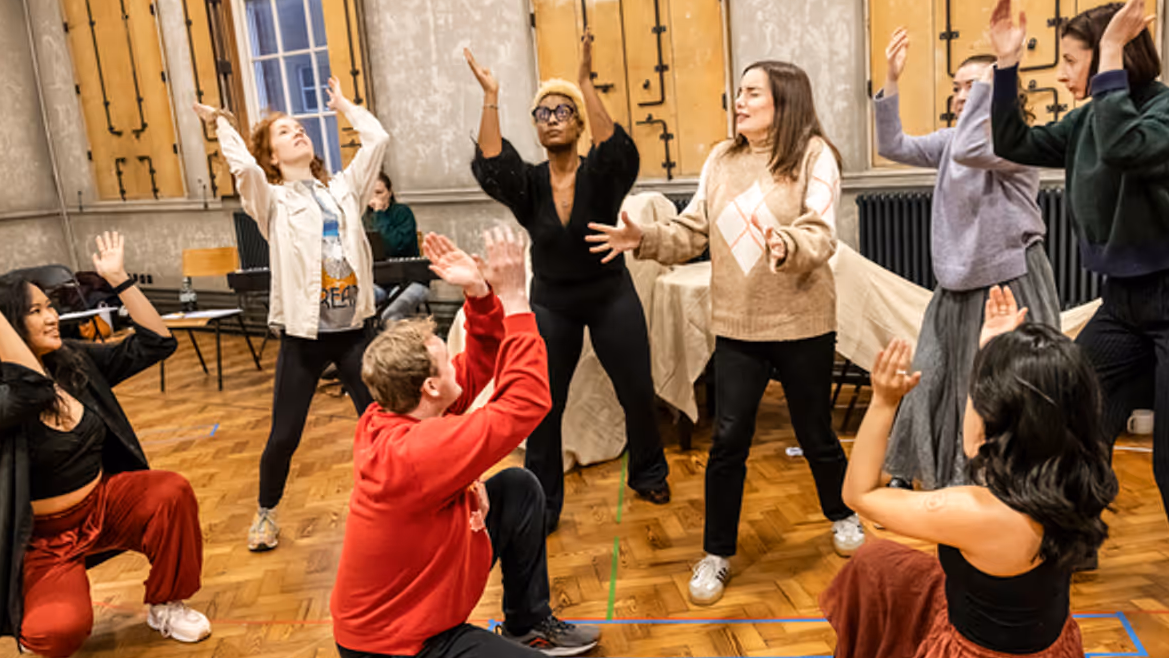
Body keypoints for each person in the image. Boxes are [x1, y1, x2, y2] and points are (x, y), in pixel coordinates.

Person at [792, 287, 1114, 658]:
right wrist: (990, 347)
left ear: (1005, 418)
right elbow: (973, 446)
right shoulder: (1074, 467)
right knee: (881, 567)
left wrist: (884, 402)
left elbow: (858, 495)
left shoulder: (976, 512)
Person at [987, 0, 1169, 609]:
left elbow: (1123, 145)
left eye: (1070, 60)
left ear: (1115, 55)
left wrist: (1112, 50)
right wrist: (1006, 65)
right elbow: (1014, 144)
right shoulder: (1088, 118)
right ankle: (1073, 539)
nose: (1060, 74)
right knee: (1074, 415)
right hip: (1126, 302)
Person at [588, 60, 860, 606]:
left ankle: (843, 513)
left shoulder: (813, 155)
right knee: (728, 442)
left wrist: (786, 245)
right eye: (739, 92)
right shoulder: (721, 158)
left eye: (752, 93)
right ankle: (717, 553)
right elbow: (692, 230)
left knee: (816, 435)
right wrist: (642, 238)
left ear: (783, 102)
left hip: (803, 323)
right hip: (738, 326)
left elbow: (820, 230)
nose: (739, 101)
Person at [331, 226, 599, 658]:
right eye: (441, 355)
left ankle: (525, 624)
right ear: (430, 386)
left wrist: (478, 295)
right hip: (396, 651)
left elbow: (476, 371)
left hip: (408, 615)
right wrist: (517, 299)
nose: (452, 358)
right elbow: (526, 401)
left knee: (517, 491)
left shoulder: (400, 413)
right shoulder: (418, 452)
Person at [0, 233, 209, 658]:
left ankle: (166, 605)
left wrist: (119, 280)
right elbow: (28, 394)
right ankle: (49, 595)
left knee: (171, 491)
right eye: (35, 311)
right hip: (44, 540)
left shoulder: (70, 361)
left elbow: (156, 343)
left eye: (50, 307)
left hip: (104, 506)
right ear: (3, 324)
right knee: (55, 637)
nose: (52, 317)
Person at [465, 31, 670, 534]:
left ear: (578, 123)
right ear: (535, 127)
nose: (552, 119)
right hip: (552, 302)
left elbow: (619, 149)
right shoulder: (529, 185)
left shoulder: (601, 174)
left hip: (609, 295)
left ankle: (648, 472)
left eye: (563, 111)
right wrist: (491, 97)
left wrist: (583, 82)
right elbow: (492, 163)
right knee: (542, 402)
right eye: (543, 113)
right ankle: (544, 502)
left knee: (637, 390)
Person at [196, 77, 389, 552]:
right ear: (273, 157)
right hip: (305, 338)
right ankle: (266, 513)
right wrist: (222, 123)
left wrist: (344, 105)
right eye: (284, 132)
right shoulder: (273, 202)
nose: (298, 132)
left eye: (300, 127)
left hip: (355, 332)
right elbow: (244, 170)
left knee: (383, 426)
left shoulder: (345, 188)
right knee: (284, 435)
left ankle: (397, 503)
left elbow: (378, 139)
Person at [873, 27, 1057, 491]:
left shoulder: (1014, 144)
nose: (959, 97)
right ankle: (922, 471)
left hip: (1007, 283)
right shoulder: (951, 142)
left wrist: (1000, 74)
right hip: (955, 285)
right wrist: (891, 81)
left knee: (1004, 390)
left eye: (970, 87)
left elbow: (976, 147)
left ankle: (1009, 486)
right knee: (932, 375)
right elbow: (893, 145)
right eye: (955, 88)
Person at [362, 170, 429, 328]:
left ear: (389, 193)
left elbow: (392, 246)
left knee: (390, 312)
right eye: (370, 193)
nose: (374, 198)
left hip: (410, 280)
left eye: (379, 192)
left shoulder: (402, 213)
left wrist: (379, 214)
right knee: (358, 306)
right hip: (378, 280)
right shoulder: (363, 217)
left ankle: (397, 350)